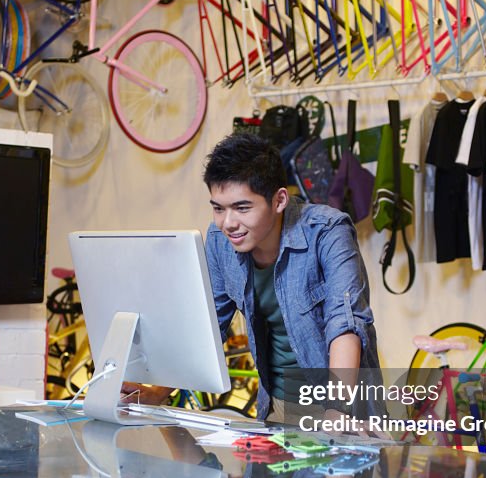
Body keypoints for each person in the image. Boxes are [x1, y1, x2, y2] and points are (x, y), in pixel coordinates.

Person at [126, 132, 382, 423]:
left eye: (242, 208)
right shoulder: (220, 241)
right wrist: (158, 392)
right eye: (218, 208)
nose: (229, 223)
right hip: (276, 409)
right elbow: (209, 327)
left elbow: (345, 324)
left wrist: (338, 413)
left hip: (347, 411)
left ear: (279, 200)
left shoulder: (327, 231)